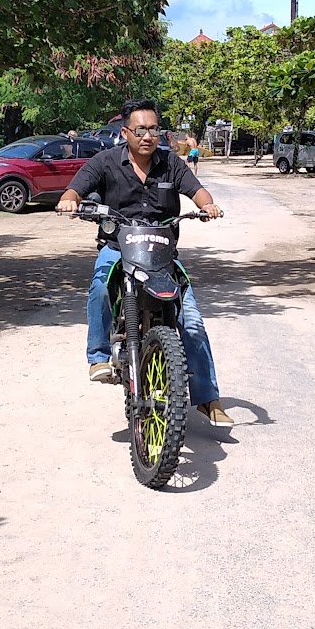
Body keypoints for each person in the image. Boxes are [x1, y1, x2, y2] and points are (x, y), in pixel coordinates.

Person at [57, 99, 232, 427]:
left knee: (192, 320)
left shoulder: (171, 163)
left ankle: (208, 398)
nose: (148, 136)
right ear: (126, 132)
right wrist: (69, 201)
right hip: (118, 247)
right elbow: (75, 190)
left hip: (162, 252)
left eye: (154, 129)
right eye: (140, 130)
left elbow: (198, 192)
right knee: (99, 287)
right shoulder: (106, 161)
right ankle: (98, 358)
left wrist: (208, 206)